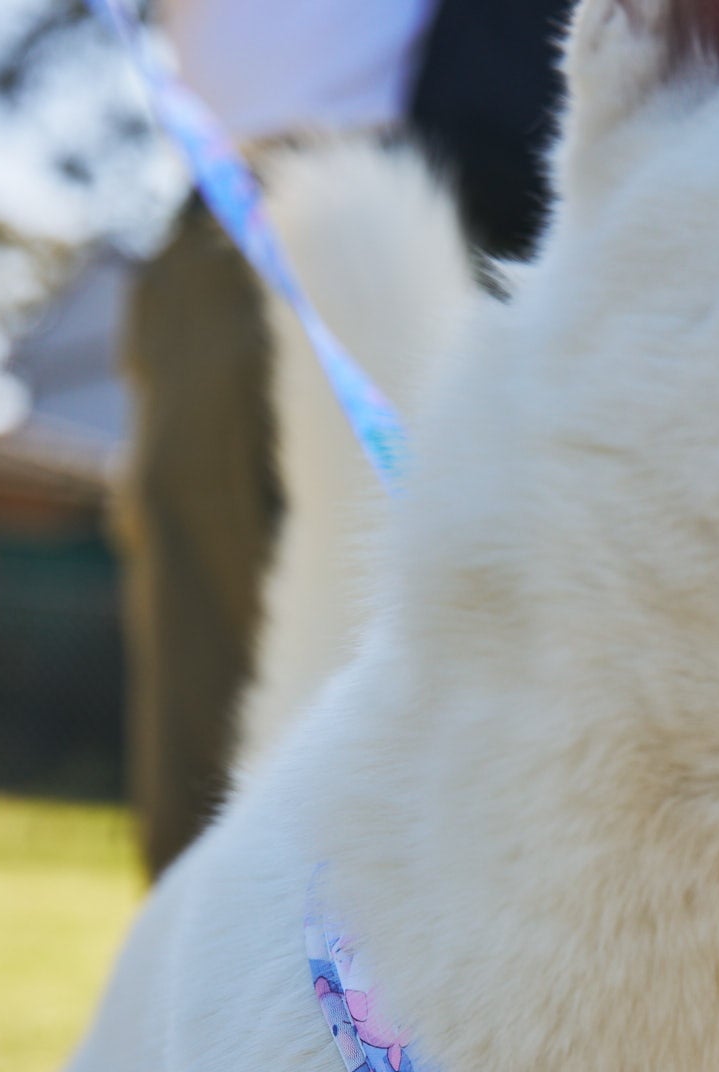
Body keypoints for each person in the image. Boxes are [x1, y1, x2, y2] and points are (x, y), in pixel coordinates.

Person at [120, 0, 573, 877]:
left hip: (484, 197)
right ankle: (198, 995)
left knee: (478, 701)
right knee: (211, 686)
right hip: (231, 203)